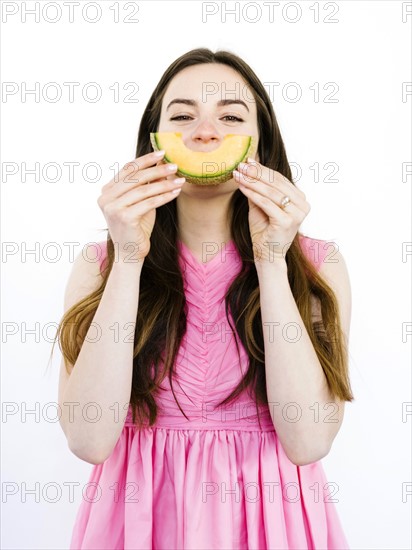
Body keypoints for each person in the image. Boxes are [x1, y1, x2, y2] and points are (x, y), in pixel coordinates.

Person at [54, 47, 354, 549]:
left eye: (231, 117)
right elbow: (88, 439)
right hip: (140, 520)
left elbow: (309, 442)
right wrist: (129, 256)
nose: (206, 131)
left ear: (262, 146)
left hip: (272, 524)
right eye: (183, 115)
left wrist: (271, 259)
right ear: (154, 143)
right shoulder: (101, 265)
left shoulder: (316, 264)